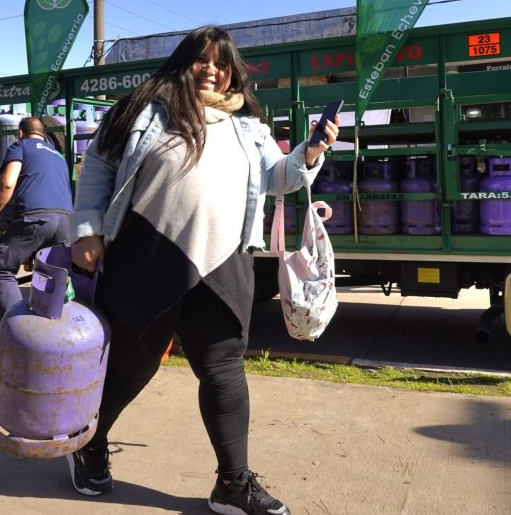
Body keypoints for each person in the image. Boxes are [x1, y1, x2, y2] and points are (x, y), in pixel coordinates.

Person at [68, 26, 338, 515]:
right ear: (182, 63)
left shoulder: (248, 124)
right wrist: (86, 232)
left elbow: (277, 178)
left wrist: (310, 153)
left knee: (224, 371)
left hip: (224, 260)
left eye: (222, 63)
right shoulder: (138, 111)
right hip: (147, 255)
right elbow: (99, 170)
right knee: (132, 367)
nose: (212, 69)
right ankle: (89, 442)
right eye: (202, 60)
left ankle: (233, 484)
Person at [0, 116, 74, 349]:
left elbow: (7, 183)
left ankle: (18, 338)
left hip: (36, 217)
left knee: (0, 269)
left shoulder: (20, 146)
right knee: (50, 276)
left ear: (20, 133)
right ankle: (50, 339)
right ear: (44, 134)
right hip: (65, 220)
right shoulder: (58, 156)